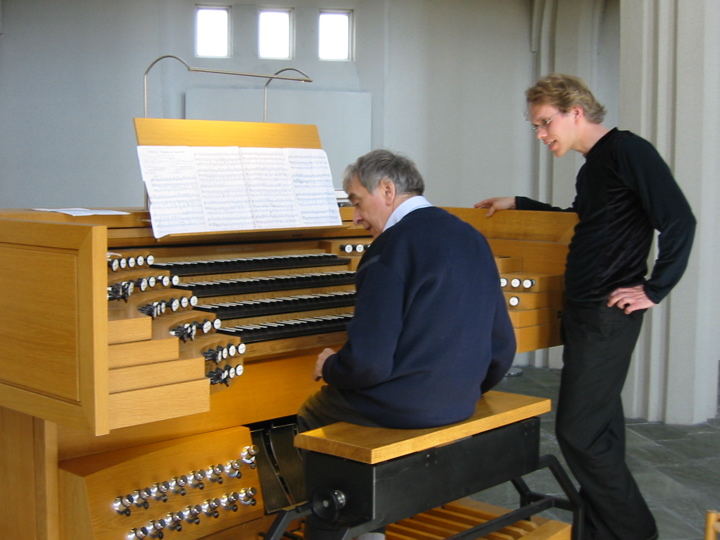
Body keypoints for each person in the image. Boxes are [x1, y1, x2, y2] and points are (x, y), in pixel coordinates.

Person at [475, 73, 696, 540]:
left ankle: (636, 533)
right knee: (602, 434)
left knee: (578, 433)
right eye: (535, 125)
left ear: (575, 112)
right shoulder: (593, 166)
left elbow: (679, 218)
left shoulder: (628, 151)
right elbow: (583, 224)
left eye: (544, 122)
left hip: (606, 313)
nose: (540, 134)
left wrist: (655, 289)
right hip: (583, 310)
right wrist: (520, 202)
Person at [298, 149, 516, 434]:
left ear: (387, 190)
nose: (356, 219)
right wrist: (464, 392)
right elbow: (503, 345)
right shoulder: (471, 236)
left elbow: (368, 365)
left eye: (358, 203)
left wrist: (330, 367)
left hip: (404, 407)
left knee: (313, 412)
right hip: (461, 400)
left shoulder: (389, 250)